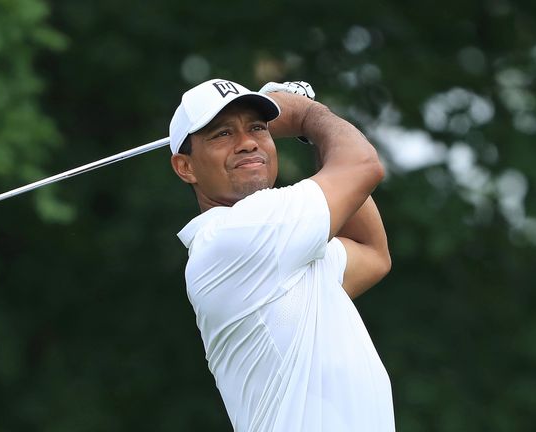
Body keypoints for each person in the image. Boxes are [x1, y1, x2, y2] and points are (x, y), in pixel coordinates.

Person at [169, 78, 394, 431]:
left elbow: (373, 253)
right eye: (222, 134)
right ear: (186, 167)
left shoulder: (283, 243)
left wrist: (312, 130)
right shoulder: (238, 233)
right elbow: (362, 166)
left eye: (258, 128)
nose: (247, 143)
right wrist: (305, 113)